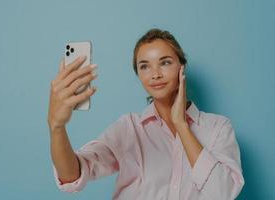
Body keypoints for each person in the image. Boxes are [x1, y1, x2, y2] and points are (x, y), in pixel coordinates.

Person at [47, 28, 244, 199]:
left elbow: (223, 193)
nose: (155, 74)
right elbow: (72, 175)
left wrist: (182, 125)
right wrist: (57, 127)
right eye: (144, 66)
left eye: (165, 62)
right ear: (138, 74)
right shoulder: (128, 128)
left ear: (181, 68)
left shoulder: (218, 128)